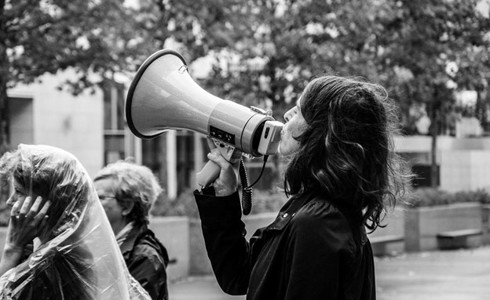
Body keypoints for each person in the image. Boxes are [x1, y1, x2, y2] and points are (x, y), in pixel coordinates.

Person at [193, 75, 411, 299]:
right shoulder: (315, 210)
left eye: (298, 111)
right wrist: (225, 195)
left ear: (322, 131)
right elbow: (238, 275)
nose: (287, 114)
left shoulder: (319, 223)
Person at [0, 144, 150, 300]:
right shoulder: (71, 249)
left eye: (18, 192)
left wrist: (12, 249)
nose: (10, 202)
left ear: (46, 202)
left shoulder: (52, 264)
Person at [93, 160, 169, 300]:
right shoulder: (105, 246)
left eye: (100, 197)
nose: (91, 203)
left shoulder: (143, 257)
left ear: (127, 206)